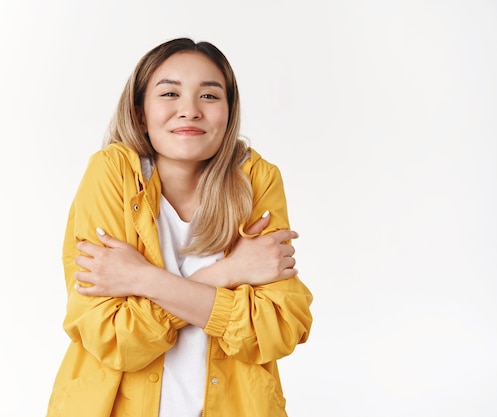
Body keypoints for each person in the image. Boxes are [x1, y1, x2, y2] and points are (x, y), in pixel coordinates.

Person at [46, 38, 313, 417]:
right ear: (140, 113)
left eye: (209, 96)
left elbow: (279, 327)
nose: (189, 111)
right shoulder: (112, 173)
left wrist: (141, 280)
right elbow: (115, 337)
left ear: (229, 112)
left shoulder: (257, 179)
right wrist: (229, 273)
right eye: (170, 93)